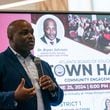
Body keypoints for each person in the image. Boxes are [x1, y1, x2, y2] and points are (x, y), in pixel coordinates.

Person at [0, 19, 64, 110]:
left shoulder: (43, 64)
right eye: (24, 33)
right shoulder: (2, 61)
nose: (31, 36)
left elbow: (57, 101)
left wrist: (53, 89)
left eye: (31, 33)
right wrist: (14, 96)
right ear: (10, 37)